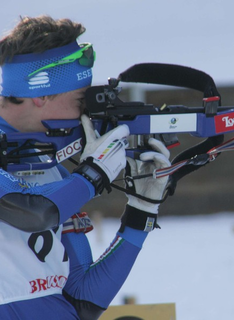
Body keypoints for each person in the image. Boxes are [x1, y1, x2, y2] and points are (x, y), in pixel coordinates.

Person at [0, 15, 171, 320]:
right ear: (40, 95)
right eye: (80, 98)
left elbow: (83, 302)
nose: (85, 111)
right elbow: (31, 211)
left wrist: (141, 211)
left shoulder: (51, 169)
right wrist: (93, 174)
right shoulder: (64, 184)